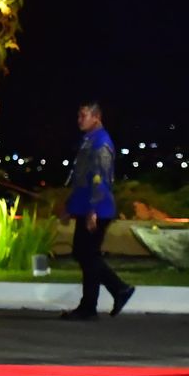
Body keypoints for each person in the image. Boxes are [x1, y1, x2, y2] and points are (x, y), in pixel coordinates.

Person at [62, 101, 133, 321]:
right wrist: (70, 207)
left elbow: (101, 178)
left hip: (97, 210)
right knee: (84, 254)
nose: (79, 120)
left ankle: (91, 305)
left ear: (96, 117)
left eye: (83, 116)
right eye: (79, 116)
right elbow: (80, 178)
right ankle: (114, 292)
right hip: (86, 208)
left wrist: (93, 210)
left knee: (87, 255)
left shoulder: (101, 144)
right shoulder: (88, 141)